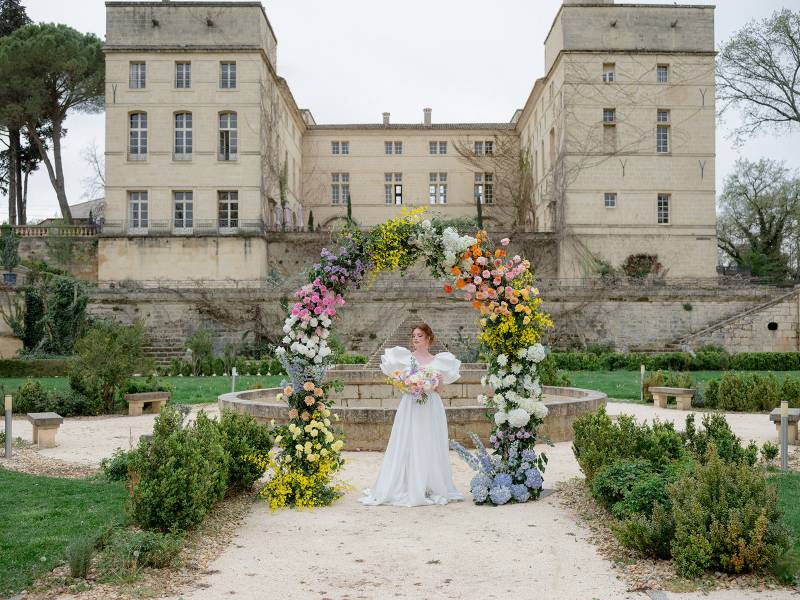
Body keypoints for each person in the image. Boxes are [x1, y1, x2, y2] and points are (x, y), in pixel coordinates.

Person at [359, 324, 464, 507]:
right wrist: (410, 384)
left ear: (429, 338)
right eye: (414, 335)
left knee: (430, 442)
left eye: (420, 335)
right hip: (411, 405)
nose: (415, 338)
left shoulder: (438, 361)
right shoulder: (405, 359)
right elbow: (399, 384)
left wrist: (438, 381)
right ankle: (407, 484)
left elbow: (439, 390)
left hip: (431, 406)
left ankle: (428, 484)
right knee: (408, 441)